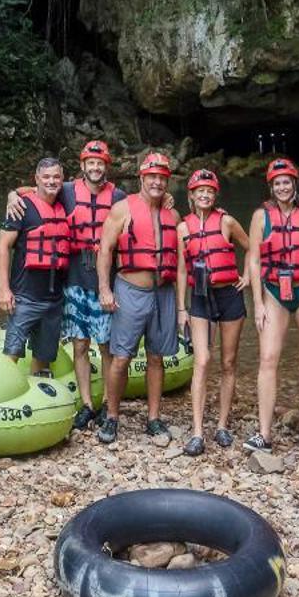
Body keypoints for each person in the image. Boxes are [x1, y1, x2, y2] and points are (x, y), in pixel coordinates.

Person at [3, 141, 125, 429]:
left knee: (107, 345)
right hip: (74, 278)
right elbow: (31, 192)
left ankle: (109, 403)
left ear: (106, 166)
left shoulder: (118, 196)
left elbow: (145, 207)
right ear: (82, 166)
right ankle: (86, 405)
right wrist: (11, 194)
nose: (95, 167)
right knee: (80, 345)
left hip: (106, 279)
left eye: (100, 163)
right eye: (90, 163)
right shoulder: (68, 191)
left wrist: (169, 200)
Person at [96, 150, 180, 445]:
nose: (157, 182)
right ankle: (112, 417)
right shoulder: (122, 208)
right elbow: (105, 250)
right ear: (142, 177)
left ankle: (153, 418)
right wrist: (105, 289)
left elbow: (181, 261)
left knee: (157, 357)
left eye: (162, 178)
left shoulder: (173, 213)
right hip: (130, 290)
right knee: (121, 357)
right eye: (152, 177)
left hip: (164, 292)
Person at [245, 158, 299, 455]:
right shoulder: (260, 217)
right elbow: (253, 259)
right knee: (268, 358)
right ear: (271, 186)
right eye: (277, 183)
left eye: (286, 182)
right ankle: (263, 433)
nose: (282, 187)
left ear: (294, 184)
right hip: (275, 290)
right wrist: (258, 302)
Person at [176, 168, 250, 456]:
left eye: (209, 190)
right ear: (192, 196)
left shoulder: (228, 221)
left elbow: (251, 247)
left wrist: (247, 276)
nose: (205, 195)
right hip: (200, 297)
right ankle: (197, 432)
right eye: (199, 191)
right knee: (202, 360)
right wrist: (181, 307)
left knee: (228, 362)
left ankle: (221, 425)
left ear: (214, 194)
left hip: (229, 294)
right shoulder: (183, 228)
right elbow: (182, 270)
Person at [0, 156, 70, 372]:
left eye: (56, 177)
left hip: (54, 300)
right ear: (36, 178)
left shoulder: (64, 203)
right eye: (45, 177)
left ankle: (39, 392)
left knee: (43, 357)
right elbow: (2, 248)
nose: (51, 181)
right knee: (12, 354)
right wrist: (4, 289)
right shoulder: (21, 207)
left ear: (62, 178)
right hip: (25, 297)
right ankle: (4, 392)